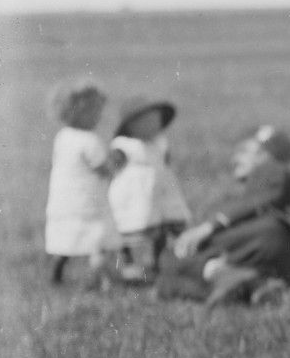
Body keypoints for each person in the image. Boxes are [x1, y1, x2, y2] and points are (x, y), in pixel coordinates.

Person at [156, 124, 290, 307]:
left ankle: (214, 272)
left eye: (243, 151)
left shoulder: (272, 169)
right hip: (277, 261)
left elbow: (256, 202)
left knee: (172, 254)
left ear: (264, 154)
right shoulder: (263, 182)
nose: (235, 158)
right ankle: (248, 284)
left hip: (269, 238)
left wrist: (208, 228)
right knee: (166, 283)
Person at [44, 79, 124, 287]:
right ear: (78, 112)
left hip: (64, 200)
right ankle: (102, 280)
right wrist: (116, 160)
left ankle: (57, 272)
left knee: (66, 241)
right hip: (87, 202)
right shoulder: (89, 140)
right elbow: (102, 168)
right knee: (97, 242)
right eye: (95, 111)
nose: (98, 117)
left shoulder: (63, 136)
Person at [108, 96, 192, 279]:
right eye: (146, 122)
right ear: (131, 126)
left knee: (161, 224)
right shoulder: (125, 145)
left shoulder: (160, 143)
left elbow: (164, 162)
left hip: (159, 193)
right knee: (128, 224)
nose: (153, 126)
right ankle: (127, 260)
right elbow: (113, 163)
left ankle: (157, 259)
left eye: (157, 121)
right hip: (134, 194)